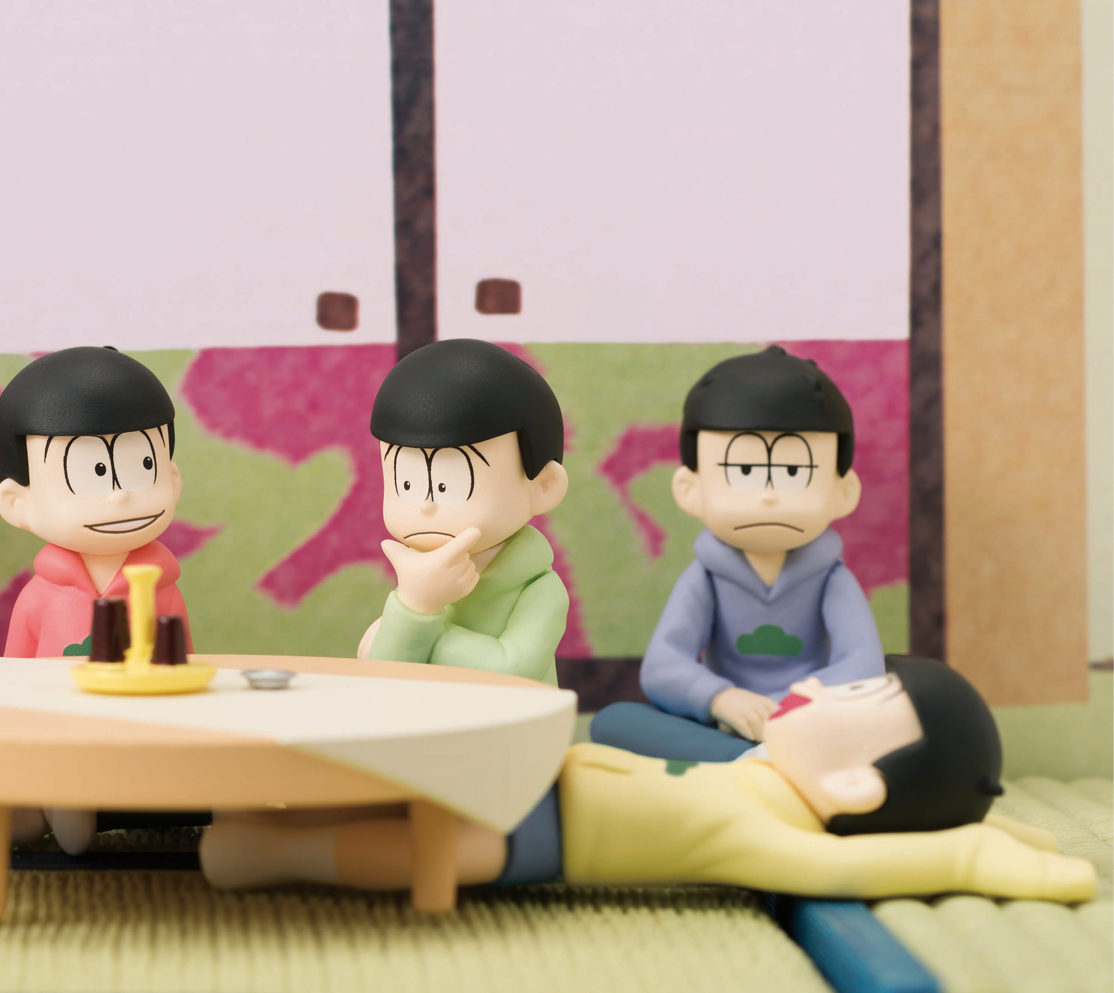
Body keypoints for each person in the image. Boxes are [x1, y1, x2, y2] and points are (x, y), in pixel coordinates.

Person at [200, 656, 1096, 906]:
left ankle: (280, 856)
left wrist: (977, 856)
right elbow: (627, 721)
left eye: (856, 696)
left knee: (444, 851)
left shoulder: (763, 837)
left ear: (859, 787)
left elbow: (856, 868)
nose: (817, 685)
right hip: (538, 765)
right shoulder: (754, 769)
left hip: (547, 839)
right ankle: (270, 806)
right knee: (401, 777)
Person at [593, 346, 882, 762]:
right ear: (690, 490)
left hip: (808, 719)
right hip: (723, 721)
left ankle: (741, 760)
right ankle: (752, 760)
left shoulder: (831, 579)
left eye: (793, 472)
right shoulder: (706, 578)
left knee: (898, 711)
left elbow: (863, 666)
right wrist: (720, 698)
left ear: (843, 492)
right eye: (743, 471)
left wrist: (783, 708)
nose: (768, 496)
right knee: (614, 721)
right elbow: (662, 666)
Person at [0, 345, 186, 850]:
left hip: (142, 734)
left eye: (144, 464)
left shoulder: (162, 587)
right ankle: (50, 802)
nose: (121, 496)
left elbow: (181, 668)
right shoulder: (40, 594)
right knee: (33, 808)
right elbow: (13, 671)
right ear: (17, 503)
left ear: (172, 478)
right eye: (94, 474)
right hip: (54, 734)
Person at [356, 339, 570, 683]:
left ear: (543, 486)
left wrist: (416, 618)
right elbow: (385, 676)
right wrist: (414, 602)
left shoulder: (540, 589)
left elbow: (513, 671)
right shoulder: (420, 570)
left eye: (448, 486)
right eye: (406, 483)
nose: (426, 505)